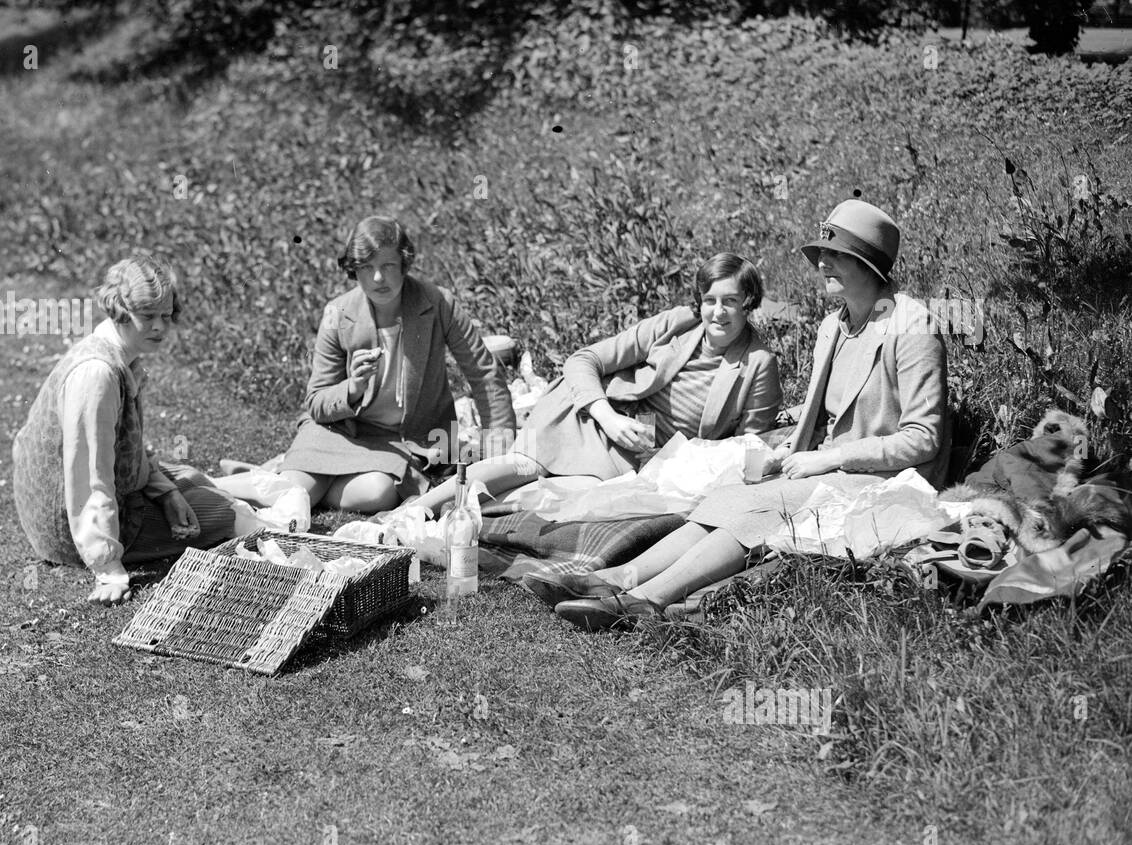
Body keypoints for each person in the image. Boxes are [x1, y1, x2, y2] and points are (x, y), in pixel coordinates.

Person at [540, 199, 950, 630]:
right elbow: (818, 422)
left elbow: (923, 438)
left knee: (765, 507)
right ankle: (609, 580)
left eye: (836, 255)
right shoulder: (833, 326)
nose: (823, 264)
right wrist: (788, 451)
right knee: (729, 495)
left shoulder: (912, 327)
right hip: (831, 469)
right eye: (822, 254)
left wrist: (829, 458)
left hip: (888, 481)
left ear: (868, 263)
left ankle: (645, 601)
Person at [407, 252, 783, 517]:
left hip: (649, 459)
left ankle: (455, 521)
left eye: (730, 301)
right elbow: (584, 360)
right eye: (710, 300)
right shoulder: (677, 323)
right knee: (521, 466)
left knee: (553, 495)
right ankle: (411, 514)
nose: (717, 312)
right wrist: (608, 417)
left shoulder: (758, 364)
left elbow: (747, 447)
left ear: (748, 302)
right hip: (595, 418)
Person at [13, 254, 250, 605]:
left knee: (189, 481)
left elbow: (128, 448)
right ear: (121, 309)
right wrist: (107, 564)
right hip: (66, 527)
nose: (160, 327)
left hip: (76, 503)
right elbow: (89, 476)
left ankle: (258, 487)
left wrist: (166, 492)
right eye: (148, 316)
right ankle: (273, 502)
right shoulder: (98, 374)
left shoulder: (119, 354)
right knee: (226, 513)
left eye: (166, 316)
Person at [278, 215, 516, 512]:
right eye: (367, 267)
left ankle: (310, 482)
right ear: (354, 271)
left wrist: (499, 440)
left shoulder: (439, 302)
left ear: (404, 264)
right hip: (341, 431)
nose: (378, 278)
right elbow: (316, 401)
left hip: (406, 442)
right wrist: (352, 388)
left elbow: (482, 372)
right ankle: (218, 487)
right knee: (294, 490)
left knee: (377, 494)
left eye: (387, 266)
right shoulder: (337, 313)